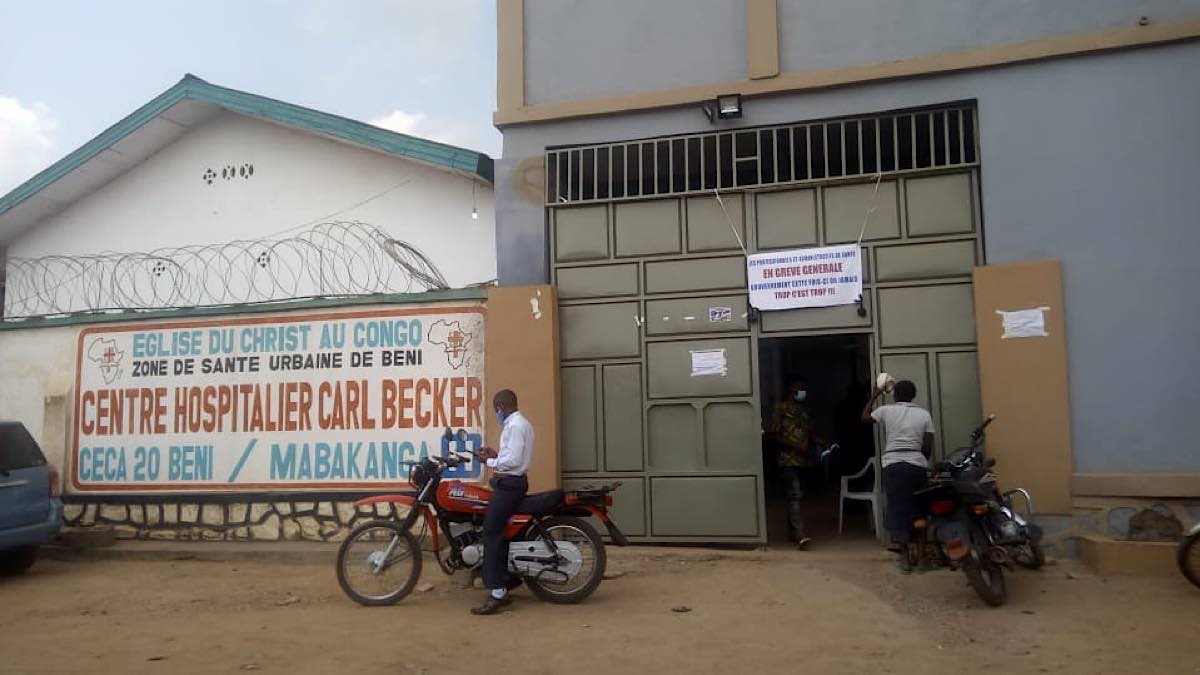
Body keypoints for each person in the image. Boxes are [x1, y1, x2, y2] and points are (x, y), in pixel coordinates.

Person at [862, 380, 934, 574]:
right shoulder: (924, 414)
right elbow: (927, 447)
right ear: (914, 395)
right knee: (919, 510)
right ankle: (921, 558)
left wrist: (876, 394)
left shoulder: (886, 410)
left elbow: (864, 418)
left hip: (893, 465)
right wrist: (920, 460)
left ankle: (904, 558)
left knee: (897, 509)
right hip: (916, 465)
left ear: (894, 395)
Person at [472, 389, 533, 615]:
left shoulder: (515, 426)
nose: (495, 413)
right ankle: (507, 578)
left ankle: (498, 591)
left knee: (491, 532)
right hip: (509, 483)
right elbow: (511, 456)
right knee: (501, 532)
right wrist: (495, 454)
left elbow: (513, 460)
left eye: (495, 409)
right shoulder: (517, 425)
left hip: (510, 487)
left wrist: (489, 460)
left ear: (500, 407)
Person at [768, 380, 824, 548]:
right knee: (794, 494)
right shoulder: (781, 409)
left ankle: (792, 532)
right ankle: (800, 534)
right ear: (791, 389)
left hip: (804, 460)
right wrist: (796, 446)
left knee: (796, 497)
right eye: (798, 388)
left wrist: (820, 441)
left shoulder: (804, 410)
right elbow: (774, 435)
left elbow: (810, 430)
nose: (802, 391)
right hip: (788, 459)